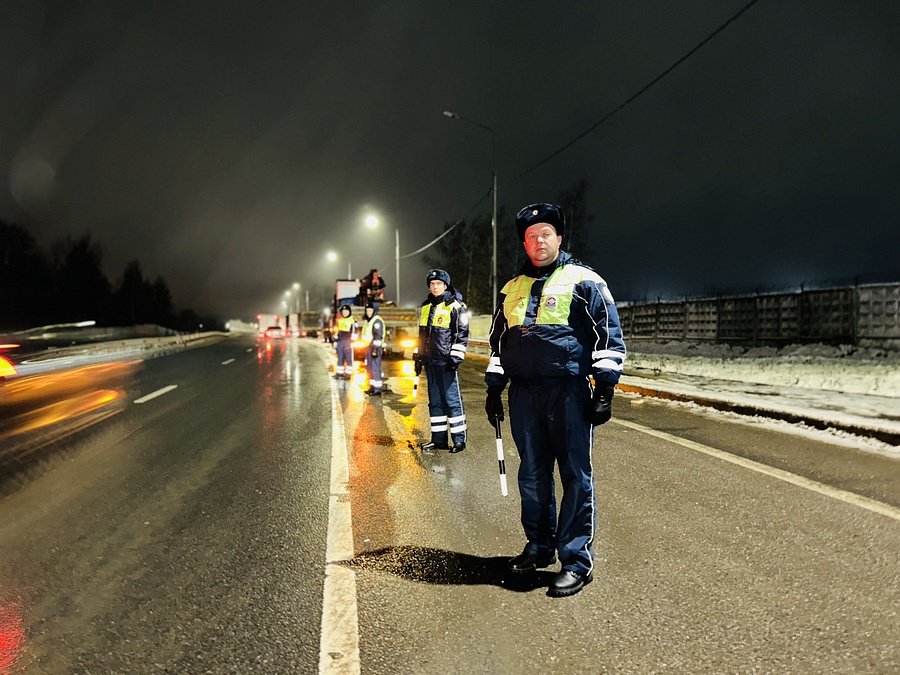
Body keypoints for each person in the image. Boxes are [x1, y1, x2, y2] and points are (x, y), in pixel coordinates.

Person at [484, 202, 626, 598]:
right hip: (525, 395)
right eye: (530, 236)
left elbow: (608, 335)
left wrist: (606, 388)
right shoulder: (511, 289)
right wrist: (495, 387)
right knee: (531, 475)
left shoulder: (585, 280)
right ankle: (539, 546)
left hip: (567, 391)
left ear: (559, 238)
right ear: (524, 243)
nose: (538, 241)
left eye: (545, 234)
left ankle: (577, 562)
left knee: (575, 477)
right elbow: (498, 343)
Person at [415, 269, 469, 453]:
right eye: (432, 284)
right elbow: (421, 336)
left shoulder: (455, 306)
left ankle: (459, 440)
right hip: (430, 362)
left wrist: (455, 357)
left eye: (438, 283)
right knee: (435, 401)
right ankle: (438, 440)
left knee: (452, 400)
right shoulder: (425, 307)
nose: (435, 286)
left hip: (446, 362)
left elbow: (461, 334)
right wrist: (419, 356)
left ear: (445, 286)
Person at [361, 301, 386, 395]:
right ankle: (372, 387)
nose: (368, 312)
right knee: (370, 369)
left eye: (370, 310)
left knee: (375, 369)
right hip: (368, 348)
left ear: (374, 310)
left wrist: (375, 349)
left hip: (374, 348)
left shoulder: (377, 321)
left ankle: (377, 390)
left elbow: (378, 336)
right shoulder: (369, 321)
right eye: (367, 310)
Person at [334, 304, 357, 380]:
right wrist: (335, 341)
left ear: (349, 312)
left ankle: (348, 374)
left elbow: (355, 332)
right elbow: (337, 332)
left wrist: (352, 342)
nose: (344, 313)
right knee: (340, 358)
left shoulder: (353, 321)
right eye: (343, 311)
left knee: (348, 359)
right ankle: (339, 373)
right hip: (340, 342)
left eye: (346, 311)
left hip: (348, 342)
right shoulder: (339, 321)